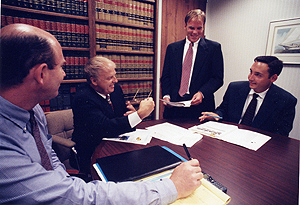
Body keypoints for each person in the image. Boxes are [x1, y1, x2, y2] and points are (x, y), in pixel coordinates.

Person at [0, 23, 203, 204]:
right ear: (41, 73)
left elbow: (48, 154)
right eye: (62, 66)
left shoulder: (33, 108)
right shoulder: (81, 97)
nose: (64, 73)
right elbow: (74, 196)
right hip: (92, 152)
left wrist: (61, 179)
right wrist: (171, 187)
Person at [71, 56, 155, 174]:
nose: (115, 80)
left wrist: (131, 114)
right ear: (94, 81)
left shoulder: (115, 89)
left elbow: (119, 116)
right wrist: (140, 115)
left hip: (117, 143)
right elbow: (105, 127)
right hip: (92, 151)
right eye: (110, 77)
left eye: (114, 75)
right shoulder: (82, 97)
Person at [199, 56, 297, 137]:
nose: (250, 77)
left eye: (258, 75)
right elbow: (223, 109)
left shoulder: (286, 101)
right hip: (229, 138)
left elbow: (281, 135)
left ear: (273, 78)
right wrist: (216, 115)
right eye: (251, 72)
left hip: (258, 148)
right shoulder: (235, 88)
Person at [160, 9, 224, 119]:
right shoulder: (172, 48)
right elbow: (166, 77)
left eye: (199, 28)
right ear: (185, 26)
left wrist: (202, 93)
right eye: (191, 28)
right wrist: (166, 95)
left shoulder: (214, 48)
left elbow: (217, 78)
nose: (195, 32)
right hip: (174, 107)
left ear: (203, 26)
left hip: (200, 108)